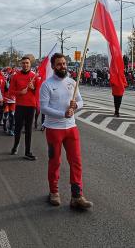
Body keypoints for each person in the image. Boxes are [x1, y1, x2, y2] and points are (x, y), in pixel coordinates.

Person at [40, 53, 93, 210]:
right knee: (55, 161)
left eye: (64, 63)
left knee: (76, 161)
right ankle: (54, 192)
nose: (63, 66)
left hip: (71, 128)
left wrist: (75, 106)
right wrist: (62, 113)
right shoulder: (47, 85)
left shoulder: (72, 82)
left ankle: (77, 196)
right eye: (59, 64)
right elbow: (43, 108)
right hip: (54, 129)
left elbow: (81, 101)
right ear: (53, 66)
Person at [10, 56, 38, 160]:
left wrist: (33, 88)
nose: (25, 65)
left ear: (30, 64)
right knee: (18, 128)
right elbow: (10, 92)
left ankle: (27, 151)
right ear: (21, 64)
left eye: (27, 63)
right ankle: (15, 145)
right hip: (20, 106)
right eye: (23, 63)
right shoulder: (15, 76)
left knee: (28, 129)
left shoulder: (34, 76)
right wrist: (20, 92)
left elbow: (38, 93)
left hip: (31, 106)